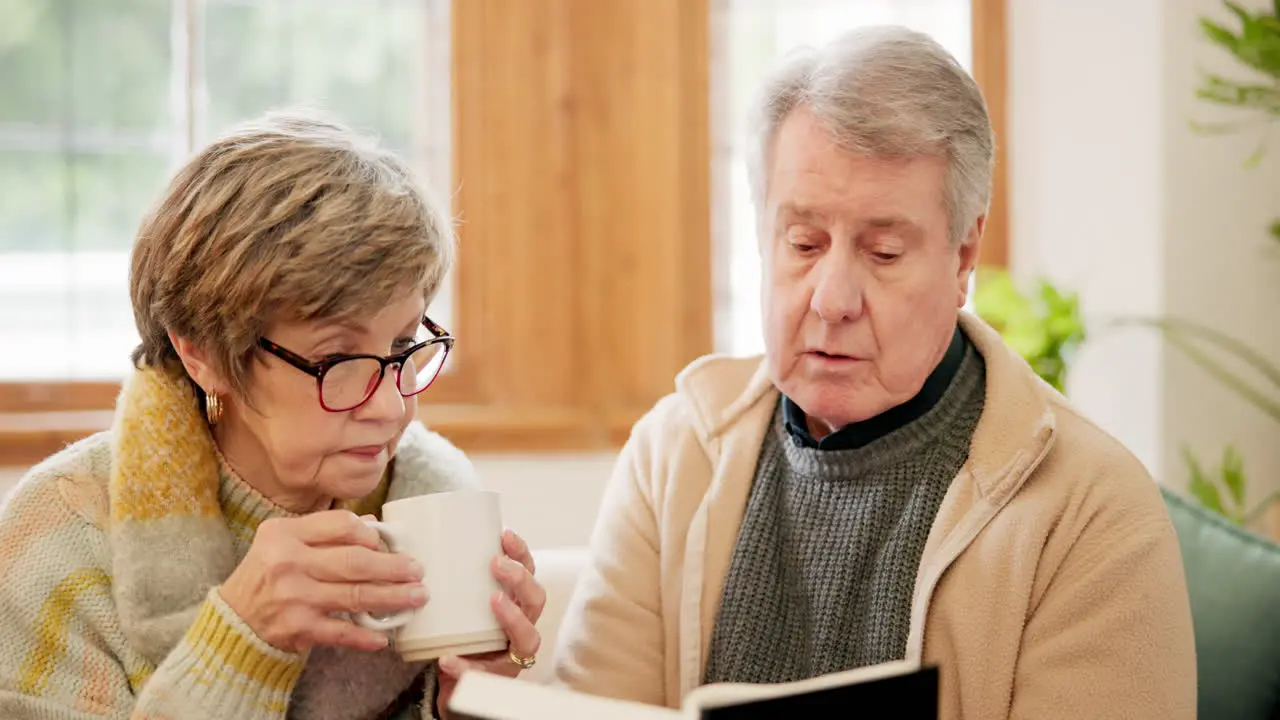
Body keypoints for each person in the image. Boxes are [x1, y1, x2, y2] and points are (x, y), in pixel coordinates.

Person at [553, 26, 1196, 719]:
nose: (832, 300)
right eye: (803, 243)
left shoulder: (1090, 513)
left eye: (884, 252)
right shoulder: (674, 455)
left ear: (962, 256)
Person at [0, 112, 546, 719]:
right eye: (336, 358)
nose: (393, 406)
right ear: (201, 353)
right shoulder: (66, 534)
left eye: (400, 348)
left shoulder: (432, 498)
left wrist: (463, 704)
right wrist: (241, 641)